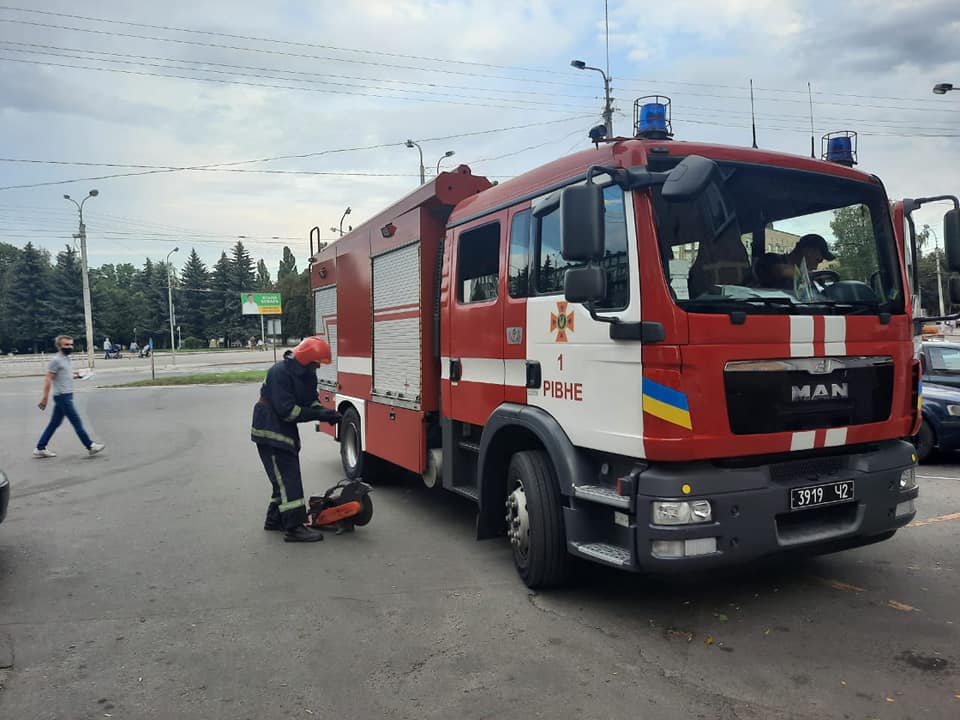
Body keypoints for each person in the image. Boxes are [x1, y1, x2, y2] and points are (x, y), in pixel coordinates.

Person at [251, 336, 341, 542]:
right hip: (270, 431)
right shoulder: (279, 373)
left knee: (282, 481)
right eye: (316, 362)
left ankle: (274, 520)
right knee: (289, 479)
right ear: (306, 358)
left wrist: (327, 413)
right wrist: (318, 415)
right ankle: (294, 528)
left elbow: (310, 401)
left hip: (282, 431)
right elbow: (288, 411)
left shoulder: (307, 374)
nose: (318, 367)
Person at [34, 335, 105, 459]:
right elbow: (48, 379)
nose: (70, 347)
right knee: (77, 422)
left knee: (54, 424)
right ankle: (90, 446)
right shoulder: (56, 360)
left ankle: (40, 447)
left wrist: (79, 375)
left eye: (71, 344)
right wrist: (45, 398)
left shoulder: (66, 359)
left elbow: (64, 375)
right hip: (63, 397)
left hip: (66, 396)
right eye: (66, 344)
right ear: (59, 346)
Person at [756, 234, 836, 291]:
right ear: (808, 251)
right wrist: (813, 276)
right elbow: (781, 271)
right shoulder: (771, 259)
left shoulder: (803, 279)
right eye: (817, 260)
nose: (815, 267)